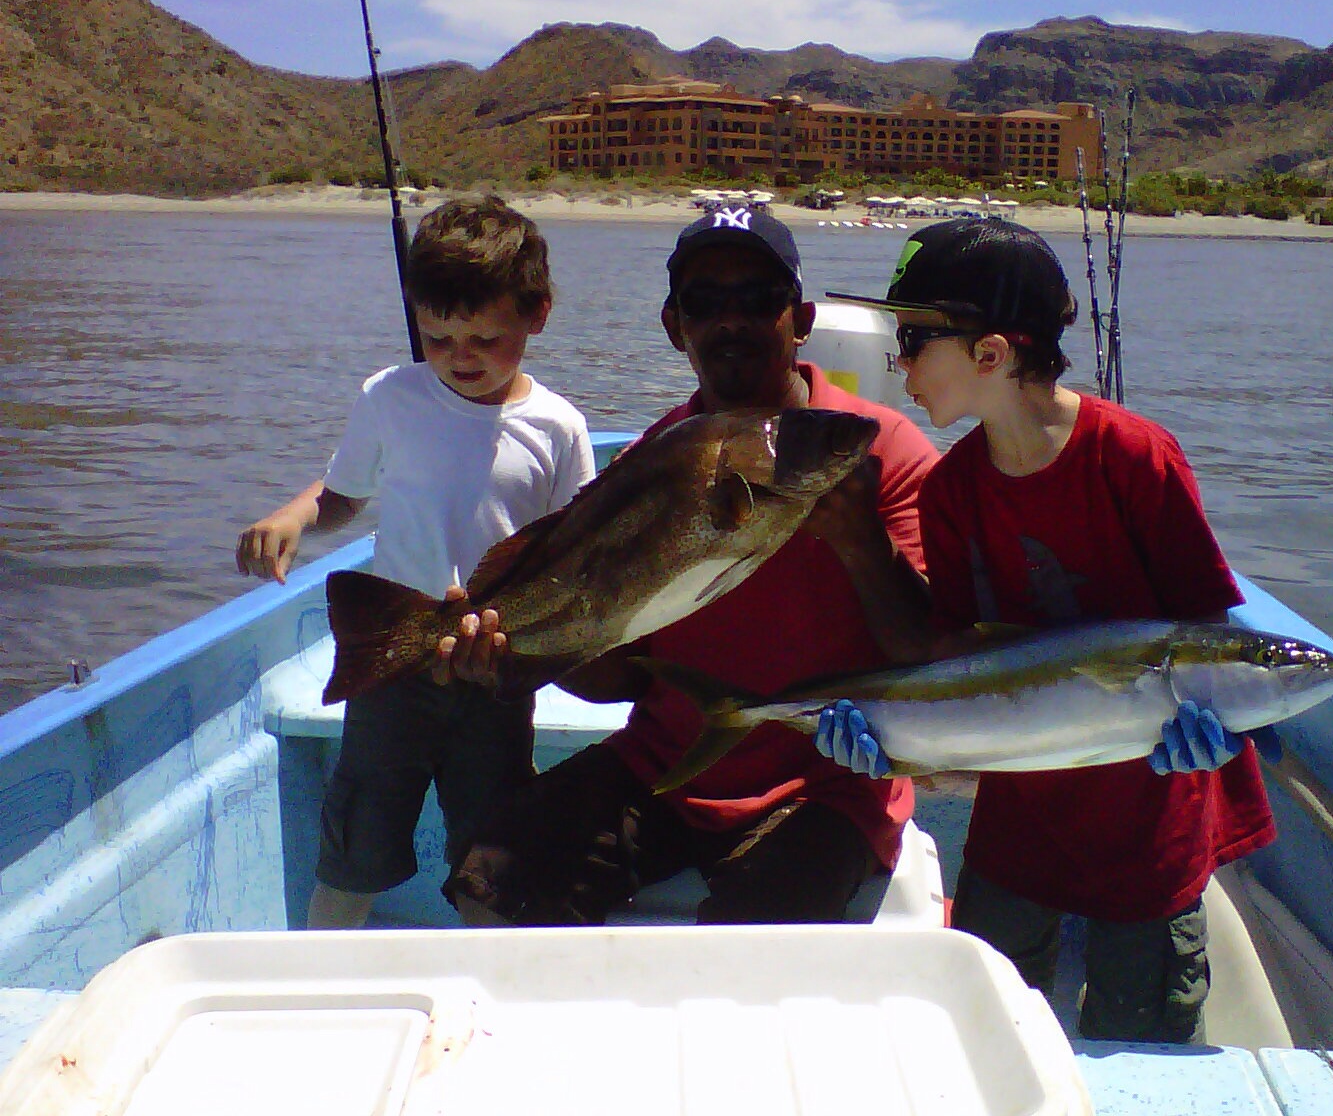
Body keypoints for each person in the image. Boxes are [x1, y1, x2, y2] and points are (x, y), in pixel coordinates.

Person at [818, 218, 1279, 1044]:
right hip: (1020, 821)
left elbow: (1208, 630)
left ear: (991, 353)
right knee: (989, 1029)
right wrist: (894, 739)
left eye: (916, 338)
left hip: (1153, 830)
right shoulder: (950, 493)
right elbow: (963, 662)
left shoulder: (1137, 459)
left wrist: (1224, 732)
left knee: (1142, 1043)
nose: (901, 363)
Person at [436, 205, 940, 926]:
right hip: (669, 765)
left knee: (755, 925)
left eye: (757, 299)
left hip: (830, 786)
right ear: (677, 326)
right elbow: (620, 677)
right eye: (706, 302)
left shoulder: (873, 449)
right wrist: (524, 652)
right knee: (493, 873)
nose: (730, 320)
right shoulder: (654, 463)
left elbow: (925, 658)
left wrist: (862, 543)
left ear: (799, 318)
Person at [235, 195, 595, 929]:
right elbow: (343, 494)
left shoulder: (559, 427)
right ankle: (322, 973)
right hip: (391, 662)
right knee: (358, 831)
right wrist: (295, 515)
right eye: (437, 338)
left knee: (491, 844)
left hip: (495, 669)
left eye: (485, 339)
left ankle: (486, 977)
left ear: (537, 314)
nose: (461, 357)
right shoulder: (389, 398)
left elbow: (577, 551)